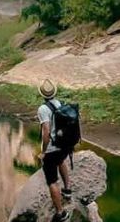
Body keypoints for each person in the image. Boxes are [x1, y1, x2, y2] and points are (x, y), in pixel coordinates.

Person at [37, 79, 72, 222]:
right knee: (61, 161)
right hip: (63, 145)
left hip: (52, 149)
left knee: (52, 181)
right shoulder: (60, 104)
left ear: (42, 94)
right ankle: (67, 190)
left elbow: (46, 132)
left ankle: (60, 213)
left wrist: (43, 151)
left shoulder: (42, 109)